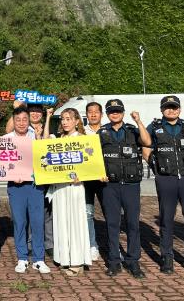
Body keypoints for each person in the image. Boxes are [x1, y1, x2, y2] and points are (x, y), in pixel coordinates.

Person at [144, 95, 184, 274]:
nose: (171, 110)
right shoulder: (154, 127)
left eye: (174, 107)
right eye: (167, 107)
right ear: (161, 110)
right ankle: (167, 256)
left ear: (179, 109)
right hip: (166, 179)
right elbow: (145, 147)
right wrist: (157, 168)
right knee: (166, 219)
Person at [98, 99, 151, 278]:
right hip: (110, 185)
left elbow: (147, 141)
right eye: (112, 111)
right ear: (107, 114)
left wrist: (138, 121)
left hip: (131, 185)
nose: (115, 113)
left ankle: (133, 261)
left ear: (123, 112)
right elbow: (93, 157)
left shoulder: (132, 130)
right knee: (112, 224)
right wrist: (98, 173)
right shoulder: (101, 133)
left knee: (132, 223)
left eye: (118, 111)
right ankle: (114, 261)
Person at [43, 107, 91, 275]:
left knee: (75, 223)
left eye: (68, 119)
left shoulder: (82, 139)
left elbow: (90, 162)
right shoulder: (58, 139)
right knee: (61, 223)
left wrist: (83, 176)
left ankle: (77, 262)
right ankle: (64, 258)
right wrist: (48, 117)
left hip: (75, 187)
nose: (64, 122)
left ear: (77, 121)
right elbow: (44, 143)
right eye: (63, 119)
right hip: (59, 187)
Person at [6, 107, 51, 274]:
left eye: (24, 119)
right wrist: (11, 175)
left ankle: (39, 259)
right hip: (16, 187)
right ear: (13, 121)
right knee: (19, 222)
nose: (21, 123)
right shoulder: (6, 140)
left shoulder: (35, 136)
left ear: (29, 120)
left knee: (37, 222)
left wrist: (39, 137)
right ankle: (22, 258)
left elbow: (45, 157)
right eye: (18, 120)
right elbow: (0, 165)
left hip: (35, 185)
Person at [83, 102, 106, 261]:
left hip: (105, 179)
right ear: (86, 115)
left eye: (96, 112)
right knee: (88, 213)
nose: (93, 114)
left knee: (110, 214)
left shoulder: (108, 130)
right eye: (90, 112)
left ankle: (113, 247)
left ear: (101, 114)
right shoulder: (81, 132)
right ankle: (92, 245)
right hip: (86, 179)